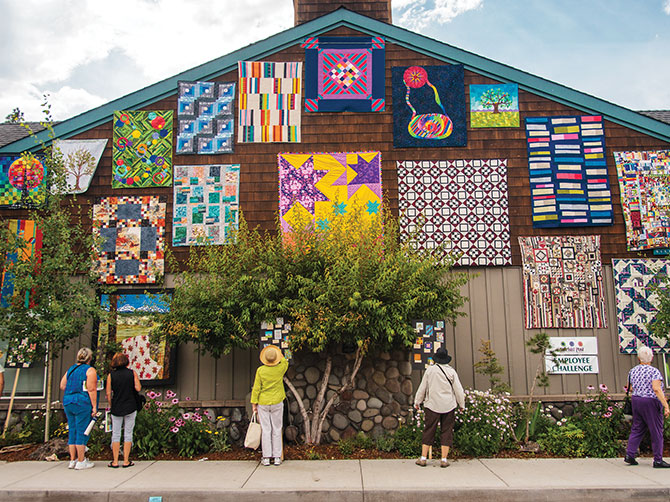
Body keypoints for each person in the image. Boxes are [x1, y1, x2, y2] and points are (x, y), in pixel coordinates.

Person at [413, 347, 465, 468]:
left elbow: (423, 387)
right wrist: (461, 404)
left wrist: (417, 401)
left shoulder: (430, 371)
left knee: (429, 430)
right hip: (449, 405)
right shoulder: (451, 372)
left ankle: (423, 458)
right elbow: (458, 390)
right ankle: (444, 459)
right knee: (447, 431)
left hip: (432, 405)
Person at [624, 345, 670, 468]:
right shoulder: (654, 371)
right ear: (652, 358)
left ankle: (630, 454)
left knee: (637, 428)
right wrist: (665, 405)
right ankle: (658, 459)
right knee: (656, 430)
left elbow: (630, 387)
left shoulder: (632, 371)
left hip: (637, 400)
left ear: (639, 358)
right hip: (651, 401)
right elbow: (656, 389)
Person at [250, 345, 288, 466]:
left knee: (266, 430)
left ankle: (266, 457)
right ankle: (277, 457)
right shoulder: (280, 368)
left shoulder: (260, 370)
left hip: (263, 402)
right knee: (277, 429)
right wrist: (279, 353)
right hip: (277, 401)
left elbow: (256, 388)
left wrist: (254, 403)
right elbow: (285, 360)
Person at [60, 347, 97, 470]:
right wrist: (94, 407)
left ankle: (72, 459)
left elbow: (62, 385)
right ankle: (81, 460)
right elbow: (91, 389)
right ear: (89, 358)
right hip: (81, 401)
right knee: (82, 430)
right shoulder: (90, 371)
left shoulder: (71, 369)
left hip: (68, 401)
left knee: (73, 429)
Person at [105, 352, 141, 468]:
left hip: (117, 405)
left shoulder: (111, 375)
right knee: (128, 433)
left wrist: (111, 404)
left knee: (115, 434)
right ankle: (126, 460)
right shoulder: (132, 373)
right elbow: (138, 388)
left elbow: (108, 393)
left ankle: (115, 461)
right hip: (130, 405)